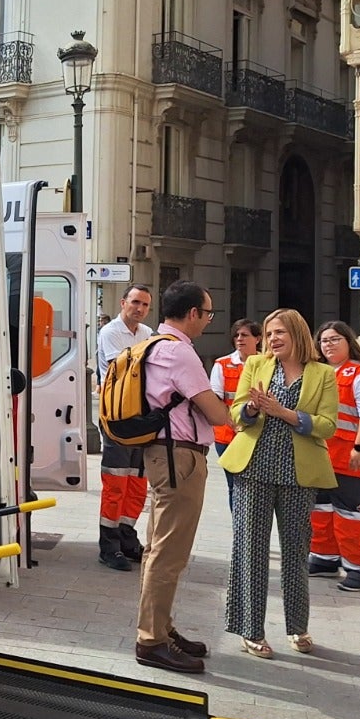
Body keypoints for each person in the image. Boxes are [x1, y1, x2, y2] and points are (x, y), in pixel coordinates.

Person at [221, 309, 337, 658]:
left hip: (298, 474)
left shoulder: (323, 374)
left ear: (298, 334)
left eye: (280, 332)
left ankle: (297, 627)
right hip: (253, 468)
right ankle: (251, 630)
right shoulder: (255, 365)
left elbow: (328, 425)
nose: (273, 339)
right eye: (269, 333)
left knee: (296, 551)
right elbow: (236, 412)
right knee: (251, 550)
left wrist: (285, 413)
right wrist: (254, 410)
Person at [132, 280, 233, 675]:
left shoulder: (150, 346)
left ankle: (160, 628)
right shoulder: (180, 354)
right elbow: (216, 412)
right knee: (168, 553)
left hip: (161, 454)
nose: (208, 321)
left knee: (157, 548)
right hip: (181, 458)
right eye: (207, 314)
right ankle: (151, 640)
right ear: (192, 313)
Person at [310, 321, 360, 592]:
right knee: (321, 511)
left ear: (349, 341)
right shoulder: (322, 372)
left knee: (353, 516)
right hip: (322, 456)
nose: (328, 344)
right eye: (324, 340)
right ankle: (326, 558)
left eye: (335, 339)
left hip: (351, 457)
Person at [95, 284, 153, 570]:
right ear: (123, 303)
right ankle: (109, 545)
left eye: (145, 305)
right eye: (135, 302)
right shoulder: (110, 332)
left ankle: (127, 537)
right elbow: (126, 368)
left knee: (137, 482)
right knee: (116, 482)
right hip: (117, 417)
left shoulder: (148, 333)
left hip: (140, 417)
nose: (139, 308)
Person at [208, 319, 261, 507]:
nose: (239, 339)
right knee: (234, 486)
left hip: (257, 436)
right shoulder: (222, 365)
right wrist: (233, 423)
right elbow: (215, 399)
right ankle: (239, 529)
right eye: (236, 335)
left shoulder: (266, 364)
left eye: (245, 335)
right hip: (227, 435)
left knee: (256, 487)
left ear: (257, 339)